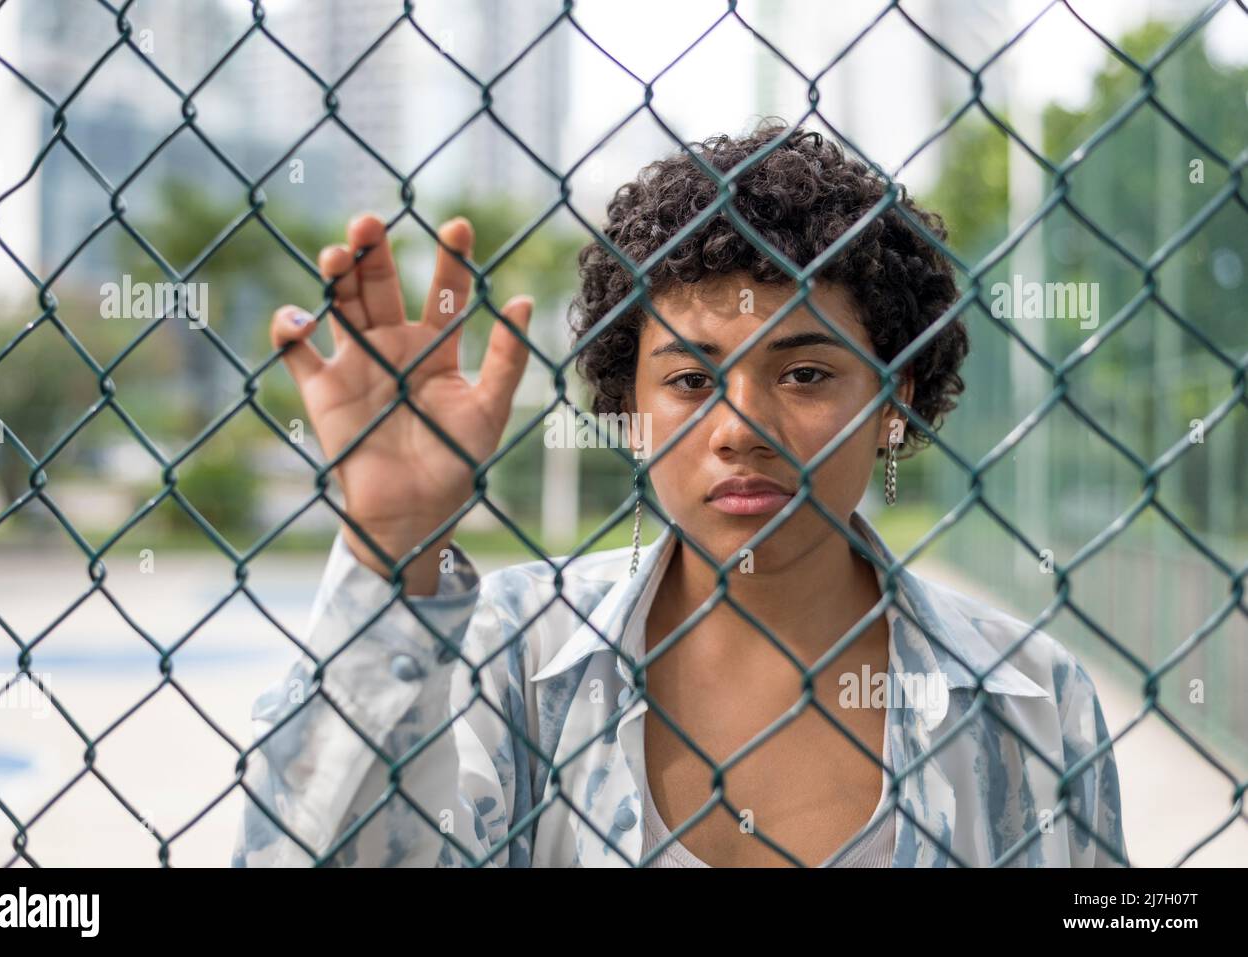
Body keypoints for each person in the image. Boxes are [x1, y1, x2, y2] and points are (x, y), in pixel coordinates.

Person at [231, 118, 1128, 868]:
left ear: (894, 402)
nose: (743, 426)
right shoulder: (500, 654)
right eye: (692, 381)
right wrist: (393, 551)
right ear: (629, 406)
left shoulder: (1033, 702)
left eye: (807, 372)